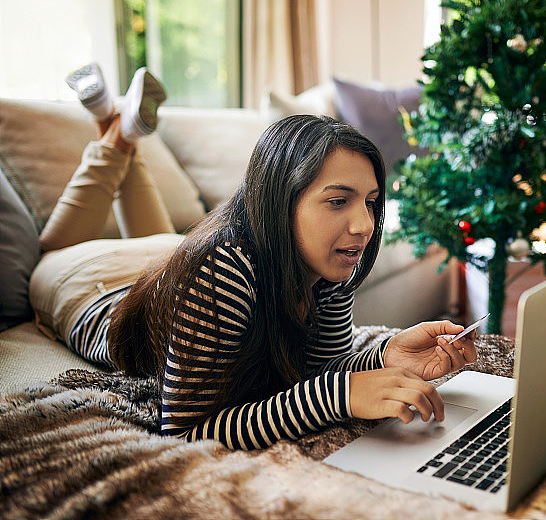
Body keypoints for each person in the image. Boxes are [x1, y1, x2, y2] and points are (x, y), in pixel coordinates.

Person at [29, 63, 478, 450]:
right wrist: (343, 394)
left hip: (167, 265)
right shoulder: (221, 269)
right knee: (54, 250)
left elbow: (318, 375)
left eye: (370, 201)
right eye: (338, 201)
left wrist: (384, 356)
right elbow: (184, 431)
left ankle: (123, 129)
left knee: (165, 238)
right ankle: (115, 130)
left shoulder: (328, 259)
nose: (363, 225)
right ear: (281, 200)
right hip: (92, 285)